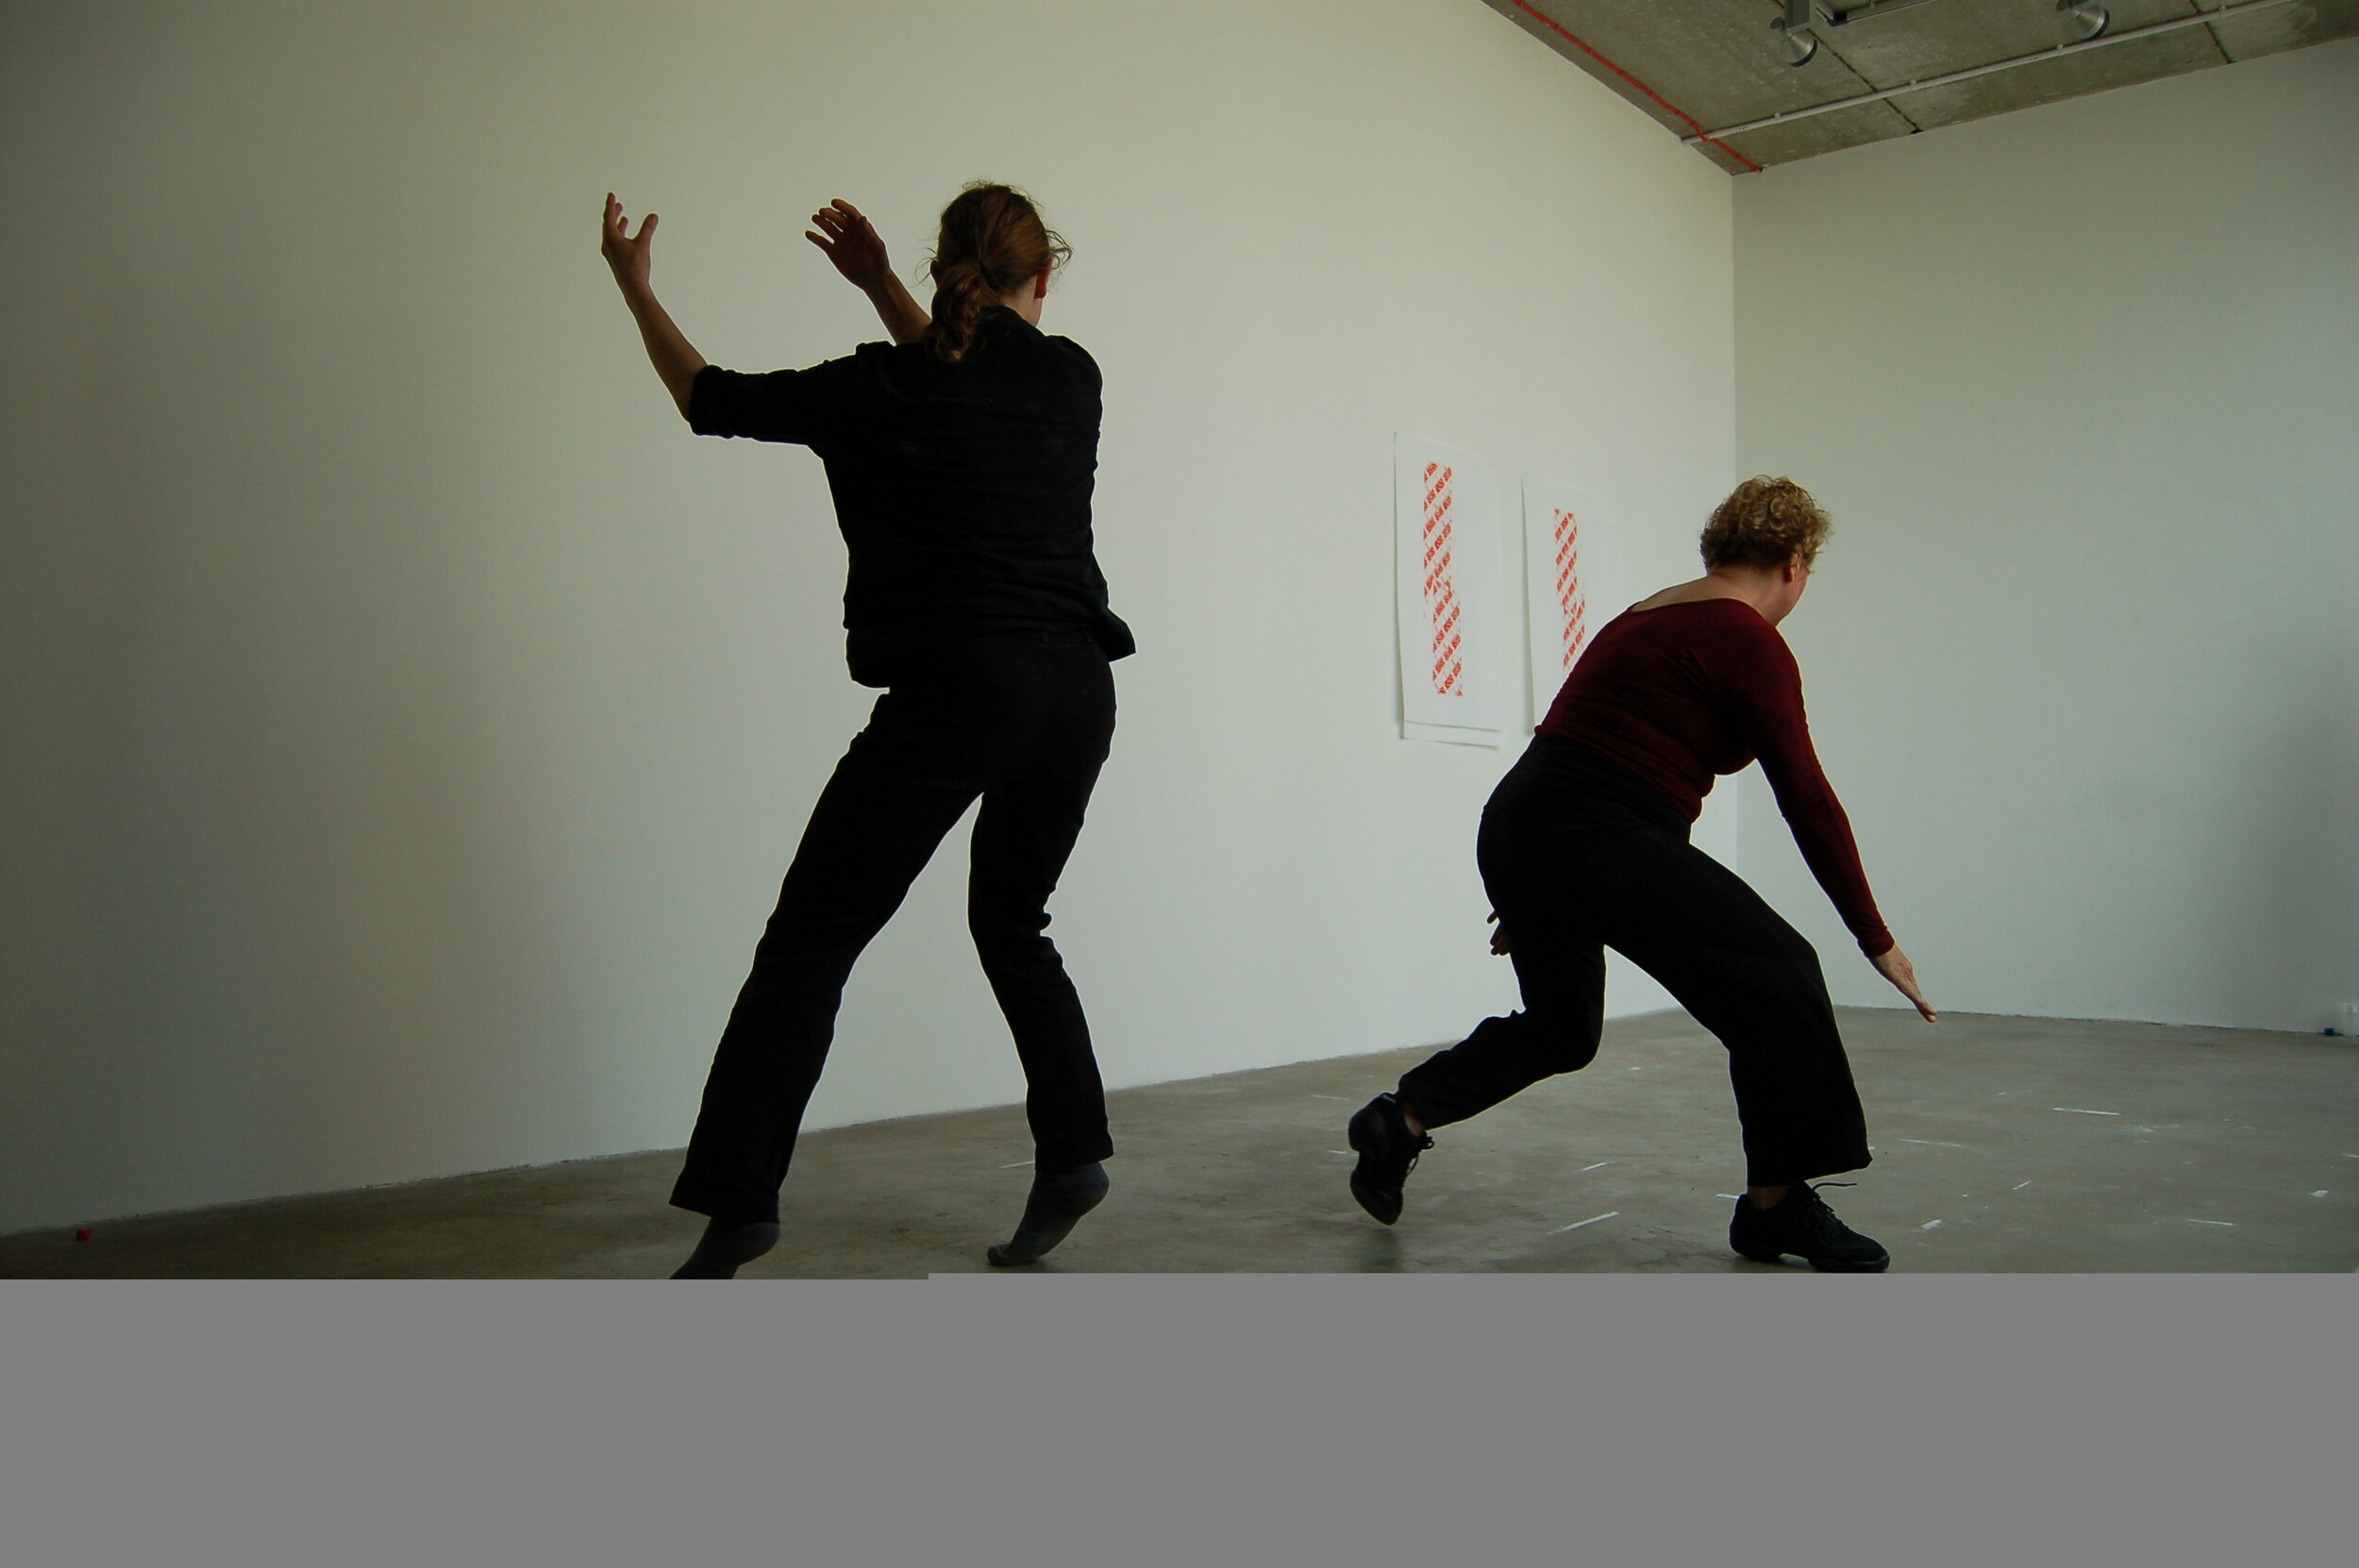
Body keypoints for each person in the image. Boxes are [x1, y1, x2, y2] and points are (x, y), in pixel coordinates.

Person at [599, 182, 1135, 1277]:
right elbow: (969, 372)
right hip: (1078, 689)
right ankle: (1073, 1153)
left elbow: (706, 397)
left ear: (943, 269)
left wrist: (635, 289)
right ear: (1043, 275)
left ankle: (740, 1199)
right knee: (1014, 923)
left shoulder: (872, 389)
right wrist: (884, 284)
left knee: (812, 941)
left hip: (961, 688)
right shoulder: (1071, 379)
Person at [1346, 477, 1934, 1272]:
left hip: (1525, 821)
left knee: (1563, 1029)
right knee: (1782, 974)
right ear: (1795, 563)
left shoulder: (1644, 615)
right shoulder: (1748, 638)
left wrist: (1536, 886)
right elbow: (1806, 796)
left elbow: (1584, 747)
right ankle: (1776, 1208)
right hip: (1593, 830)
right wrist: (1876, 937)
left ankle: (1401, 1119)